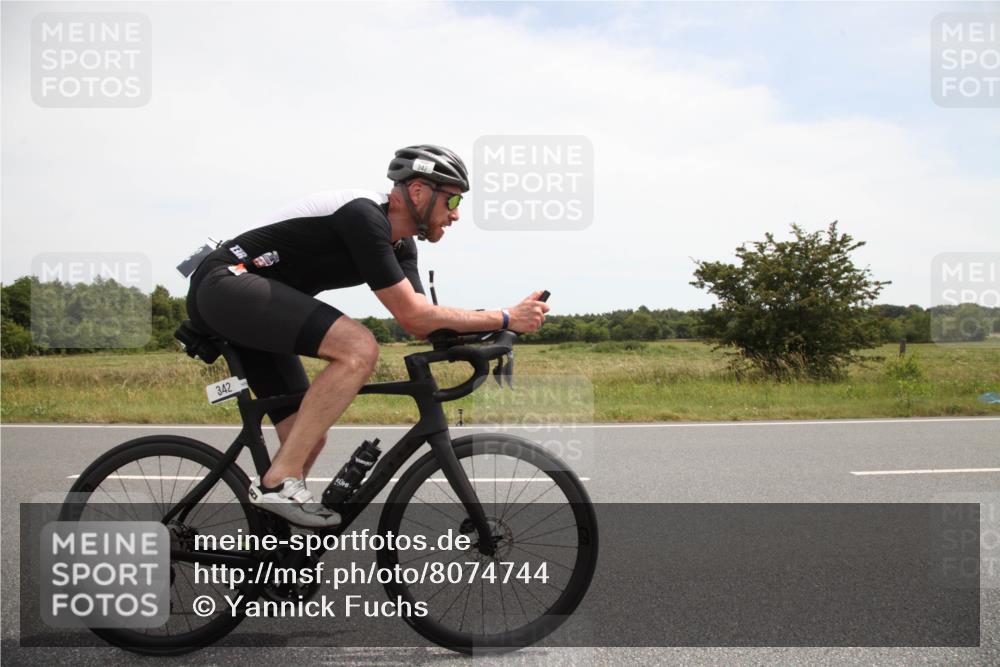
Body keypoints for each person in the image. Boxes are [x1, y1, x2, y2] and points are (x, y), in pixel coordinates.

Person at [185, 145, 549, 527]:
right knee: (358, 347)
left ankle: (278, 552)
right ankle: (278, 484)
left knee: (307, 436)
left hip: (255, 305)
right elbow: (415, 315)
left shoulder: (402, 246)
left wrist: (490, 333)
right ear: (420, 191)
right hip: (226, 283)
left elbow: (423, 321)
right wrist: (507, 316)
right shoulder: (363, 216)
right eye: (453, 198)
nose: (456, 213)